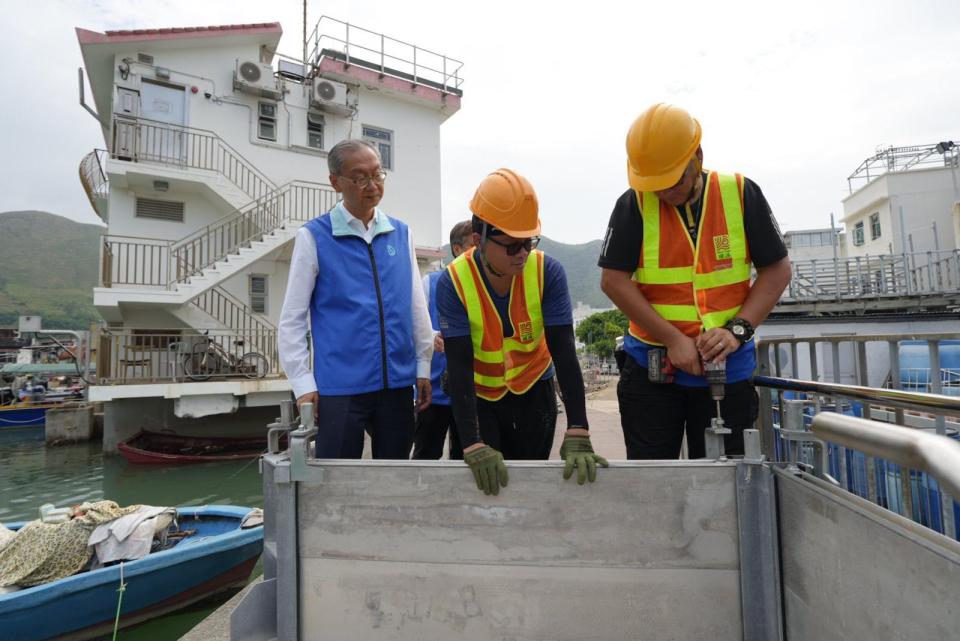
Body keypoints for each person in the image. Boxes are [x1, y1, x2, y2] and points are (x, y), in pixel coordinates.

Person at [598, 103, 792, 460]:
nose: (663, 193)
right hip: (652, 370)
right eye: (654, 184)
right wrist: (672, 339)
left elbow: (777, 270)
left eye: (673, 182)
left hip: (727, 370)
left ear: (697, 157)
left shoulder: (740, 193)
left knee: (730, 482)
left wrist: (737, 331)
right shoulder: (634, 204)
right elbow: (613, 281)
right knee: (654, 482)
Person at [436, 168, 608, 495]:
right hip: (479, 397)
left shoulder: (548, 272)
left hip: (534, 393)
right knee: (482, 488)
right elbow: (458, 367)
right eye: (512, 246)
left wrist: (578, 429)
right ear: (478, 240)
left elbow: (565, 353)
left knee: (530, 487)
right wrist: (471, 443)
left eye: (528, 242)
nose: (523, 254)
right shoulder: (453, 282)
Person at [278, 139, 433, 459]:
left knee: (395, 475)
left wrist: (423, 364)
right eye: (360, 177)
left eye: (377, 175)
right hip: (339, 389)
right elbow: (292, 317)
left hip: (396, 385)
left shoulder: (400, 233)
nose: (372, 185)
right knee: (337, 478)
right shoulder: (315, 236)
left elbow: (416, 305)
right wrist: (303, 383)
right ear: (336, 182)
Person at [411, 220, 474, 460]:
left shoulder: (484, 285)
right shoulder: (431, 282)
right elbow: (416, 326)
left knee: (466, 457)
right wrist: (434, 336)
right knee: (426, 454)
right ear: (457, 250)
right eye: (473, 244)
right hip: (434, 392)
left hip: (469, 391)